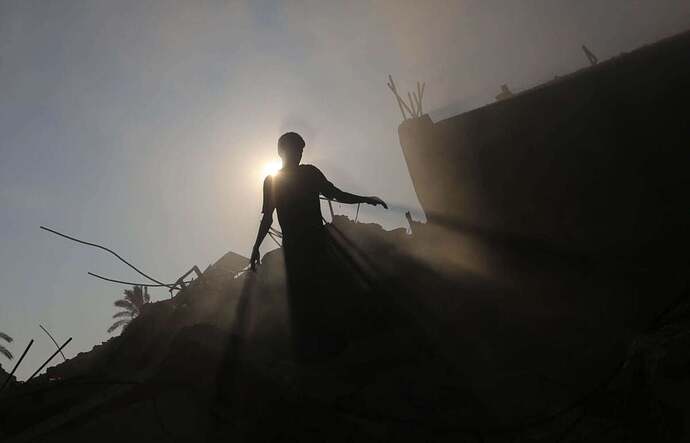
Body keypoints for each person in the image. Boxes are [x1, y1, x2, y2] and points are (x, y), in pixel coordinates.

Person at [250, 131, 387, 362]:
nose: (300, 153)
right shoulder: (273, 181)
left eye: (302, 149)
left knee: (325, 291)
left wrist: (364, 198)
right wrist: (256, 248)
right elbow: (267, 219)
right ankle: (317, 352)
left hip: (314, 243)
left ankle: (338, 346)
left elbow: (335, 194)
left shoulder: (308, 173)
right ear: (283, 151)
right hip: (296, 246)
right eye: (297, 149)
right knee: (305, 297)